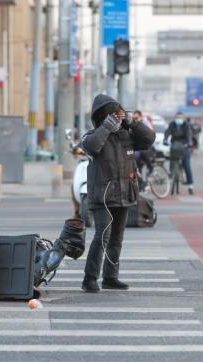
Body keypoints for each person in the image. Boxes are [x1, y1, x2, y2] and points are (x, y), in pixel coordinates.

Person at [80, 95, 155, 292]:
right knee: (102, 236)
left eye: (117, 114)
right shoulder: (92, 136)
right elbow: (92, 147)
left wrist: (132, 122)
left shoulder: (126, 136)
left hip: (124, 193)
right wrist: (105, 128)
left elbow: (149, 140)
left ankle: (110, 277)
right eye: (110, 115)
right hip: (103, 196)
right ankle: (89, 278)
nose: (115, 118)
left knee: (116, 238)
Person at [163, 112, 194, 195]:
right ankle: (171, 176)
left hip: (185, 146)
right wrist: (165, 140)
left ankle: (190, 185)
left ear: (183, 118)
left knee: (186, 164)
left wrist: (189, 142)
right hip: (174, 146)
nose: (178, 119)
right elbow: (167, 132)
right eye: (177, 118)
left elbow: (189, 135)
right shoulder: (172, 124)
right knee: (172, 161)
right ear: (175, 118)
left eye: (180, 118)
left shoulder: (186, 125)